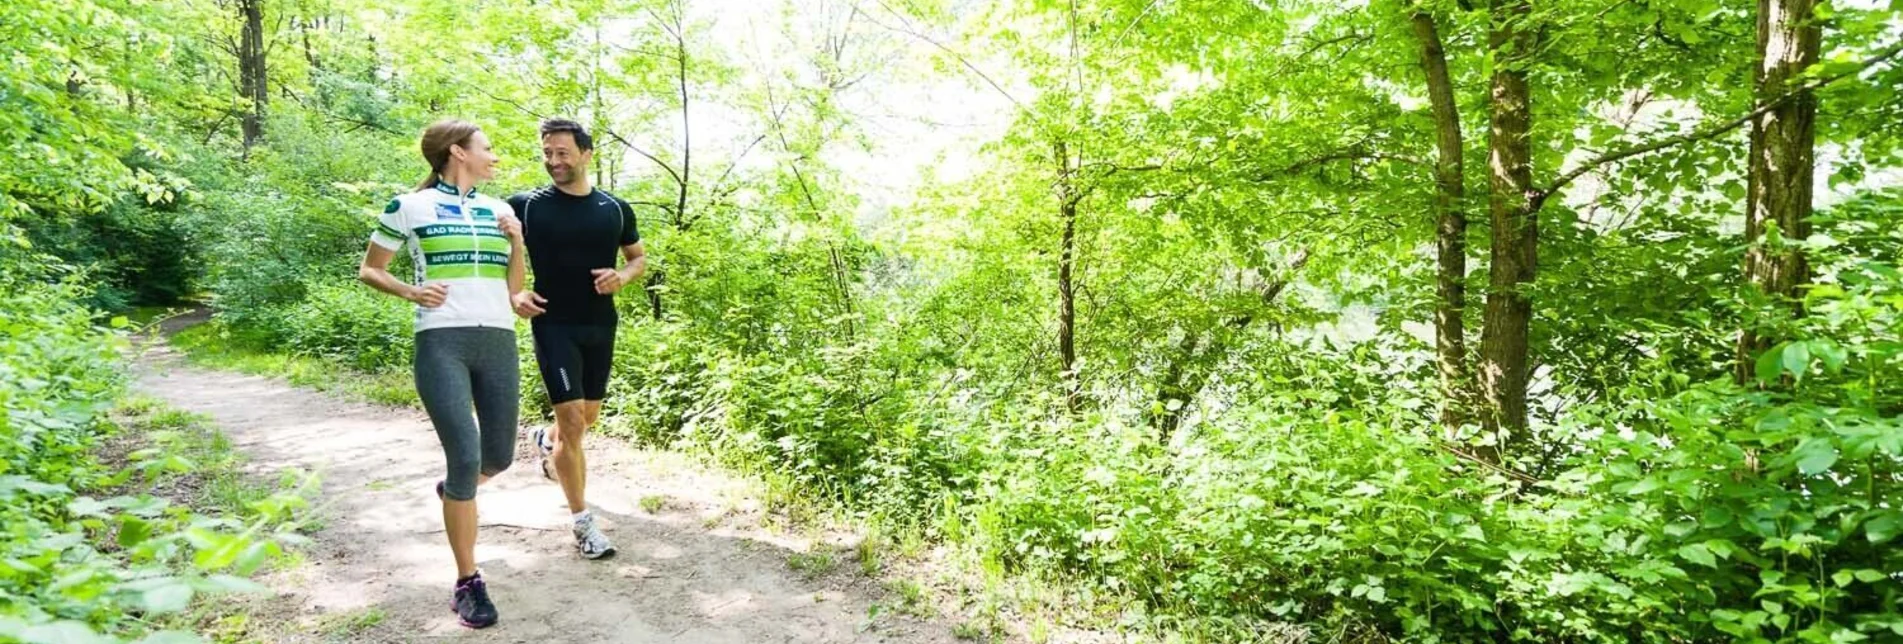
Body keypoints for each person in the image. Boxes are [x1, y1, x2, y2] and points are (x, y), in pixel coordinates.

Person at [357, 119, 524, 629]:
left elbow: (515, 289)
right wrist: (411, 292)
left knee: (498, 457)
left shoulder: (501, 210)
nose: (494, 157)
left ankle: (456, 492)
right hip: (442, 341)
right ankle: (468, 581)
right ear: (459, 152)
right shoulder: (408, 206)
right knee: (465, 455)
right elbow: (371, 268)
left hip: (497, 338)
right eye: (487, 148)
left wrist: (517, 241)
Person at [506, 118, 646, 561]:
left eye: (563, 153)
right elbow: (493, 257)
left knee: (586, 420)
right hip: (552, 323)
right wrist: (514, 292)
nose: (554, 162)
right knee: (572, 424)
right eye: (547, 153)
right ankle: (584, 526)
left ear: (587, 154)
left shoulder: (615, 209)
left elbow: (637, 258)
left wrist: (621, 276)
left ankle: (547, 445)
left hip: (600, 324)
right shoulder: (524, 207)